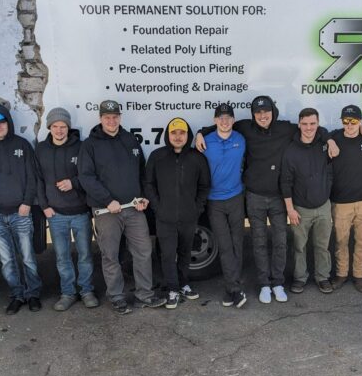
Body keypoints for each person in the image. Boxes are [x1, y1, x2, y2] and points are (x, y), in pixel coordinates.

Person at [196, 96, 337, 304]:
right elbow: (222, 124)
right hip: (254, 196)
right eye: (258, 112)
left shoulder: (285, 129)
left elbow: (311, 129)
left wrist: (329, 138)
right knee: (259, 242)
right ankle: (264, 284)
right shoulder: (245, 128)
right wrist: (201, 132)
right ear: (253, 114)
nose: (263, 116)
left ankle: (278, 283)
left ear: (273, 112)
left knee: (280, 242)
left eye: (266, 111)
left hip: (279, 197)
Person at [77, 100, 166, 314]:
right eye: (107, 117)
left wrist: (144, 197)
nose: (111, 120)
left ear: (120, 117)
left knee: (143, 251)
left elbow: (142, 173)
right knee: (111, 255)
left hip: (134, 209)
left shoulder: (129, 140)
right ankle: (116, 296)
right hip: (107, 211)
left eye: (115, 116)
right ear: (100, 119)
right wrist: (108, 200)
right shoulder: (90, 145)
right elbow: (86, 177)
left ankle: (144, 294)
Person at [0, 103, 43, 315]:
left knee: (28, 257)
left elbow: (33, 177)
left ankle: (33, 294)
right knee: (7, 260)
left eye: (1, 122)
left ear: (8, 123)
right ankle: (17, 295)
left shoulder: (22, 145)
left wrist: (27, 202)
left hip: (20, 212)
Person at [145, 117, 211, 309]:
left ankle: (183, 284)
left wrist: (197, 208)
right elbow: (148, 184)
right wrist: (158, 207)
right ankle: (172, 288)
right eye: (174, 133)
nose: (178, 136)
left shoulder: (197, 158)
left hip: (189, 217)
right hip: (165, 217)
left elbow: (204, 186)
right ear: (168, 135)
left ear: (187, 135)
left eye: (182, 133)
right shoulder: (157, 156)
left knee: (184, 252)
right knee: (167, 254)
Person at [36, 107, 97, 311]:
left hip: (80, 212)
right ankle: (68, 293)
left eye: (63, 126)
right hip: (56, 214)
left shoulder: (81, 147)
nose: (60, 130)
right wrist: (44, 206)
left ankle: (87, 291)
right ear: (49, 127)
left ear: (69, 128)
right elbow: (38, 180)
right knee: (62, 257)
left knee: (85, 255)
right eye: (55, 126)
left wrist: (74, 183)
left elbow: (90, 175)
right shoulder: (42, 150)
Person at [281, 108, 334, 294]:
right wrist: (290, 210)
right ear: (299, 125)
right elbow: (285, 182)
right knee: (299, 247)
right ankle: (299, 278)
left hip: (323, 206)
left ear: (318, 124)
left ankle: (323, 277)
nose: (309, 128)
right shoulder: (291, 151)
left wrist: (329, 140)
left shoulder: (325, 144)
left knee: (322, 246)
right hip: (300, 208)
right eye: (305, 124)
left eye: (312, 124)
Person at [202, 103, 248, 308]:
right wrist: (199, 133)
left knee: (237, 242)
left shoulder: (240, 139)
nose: (224, 121)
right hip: (215, 201)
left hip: (236, 197)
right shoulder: (205, 142)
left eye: (228, 117)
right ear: (214, 121)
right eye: (220, 118)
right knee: (225, 244)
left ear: (233, 120)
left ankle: (233, 288)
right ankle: (235, 289)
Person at [329, 105, 362, 292]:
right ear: (341, 121)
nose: (349, 125)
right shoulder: (334, 137)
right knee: (341, 242)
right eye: (346, 121)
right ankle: (341, 274)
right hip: (340, 203)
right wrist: (329, 139)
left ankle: (359, 276)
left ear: (360, 122)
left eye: (354, 121)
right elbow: (317, 133)